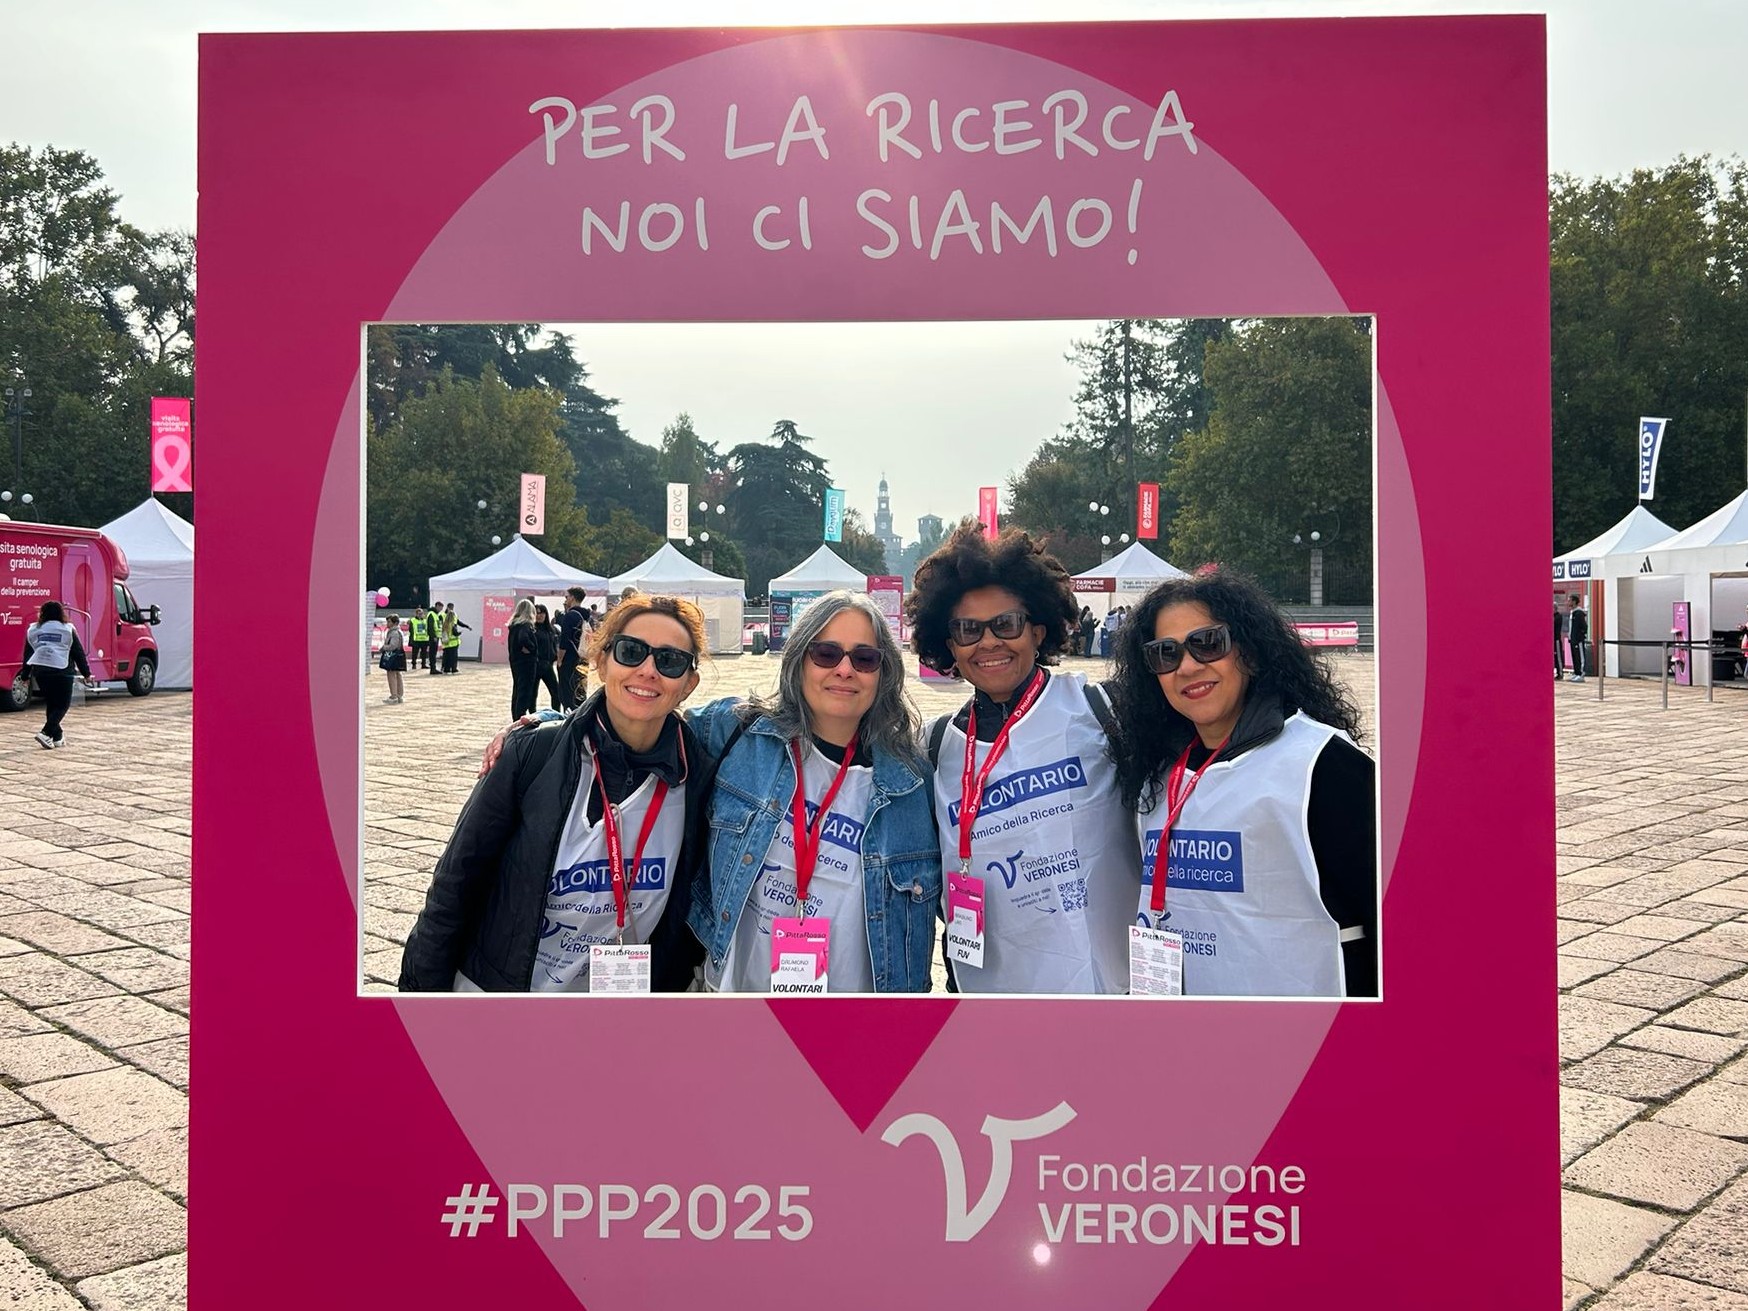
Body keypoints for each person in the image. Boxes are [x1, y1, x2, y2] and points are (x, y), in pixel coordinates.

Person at [399, 594, 712, 992]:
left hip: (615, 1019)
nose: (648, 670)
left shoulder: (700, 774)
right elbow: (456, 884)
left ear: (688, 684)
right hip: (502, 1001)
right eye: (631, 651)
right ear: (601, 661)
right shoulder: (531, 755)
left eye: (669, 661)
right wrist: (420, 1000)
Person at [1105, 567, 1377, 998]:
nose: (1189, 666)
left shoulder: (1322, 764)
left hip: (1311, 1044)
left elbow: (1389, 917)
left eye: (1208, 643)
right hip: (1192, 1041)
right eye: (1165, 653)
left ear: (1248, 651)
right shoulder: (1157, 776)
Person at [906, 523, 1139, 994]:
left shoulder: (1101, 709)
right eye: (968, 630)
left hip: (1108, 994)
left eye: (1006, 624)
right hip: (991, 1003)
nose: (988, 642)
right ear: (949, 646)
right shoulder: (934, 747)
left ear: (1037, 630)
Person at [688, 591, 940, 993]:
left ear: (883, 672)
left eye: (864, 658)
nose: (845, 669)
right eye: (825, 653)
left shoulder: (914, 783)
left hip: (857, 1029)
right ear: (798, 661)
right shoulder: (736, 736)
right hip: (738, 1011)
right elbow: (642, 722)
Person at [23, 601, 91, 749]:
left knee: (52, 704)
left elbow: (28, 653)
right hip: (62, 671)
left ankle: (57, 738)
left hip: (41, 672)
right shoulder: (67, 629)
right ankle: (45, 733)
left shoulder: (33, 629)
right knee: (62, 705)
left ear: (42, 613)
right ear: (61, 613)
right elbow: (78, 653)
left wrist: (25, 676)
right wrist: (86, 673)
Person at [507, 598, 540, 720]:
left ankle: (516, 716)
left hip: (516, 661)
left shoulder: (514, 625)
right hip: (526, 663)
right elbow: (523, 639)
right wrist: (531, 648)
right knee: (524, 691)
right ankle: (520, 717)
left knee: (517, 690)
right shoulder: (526, 625)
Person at [556, 586, 588, 709]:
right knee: (579, 689)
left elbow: (564, 640)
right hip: (583, 657)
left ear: (573, 598)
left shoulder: (570, 616)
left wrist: (559, 660)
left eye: (567, 597)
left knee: (567, 692)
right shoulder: (587, 615)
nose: (566, 599)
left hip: (569, 658)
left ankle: (569, 717)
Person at [534, 603, 564, 710]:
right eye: (536, 613)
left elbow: (559, 643)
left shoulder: (551, 630)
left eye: (542, 613)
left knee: (556, 693)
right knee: (532, 695)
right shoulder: (532, 630)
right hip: (535, 666)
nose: (539, 615)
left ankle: (556, 715)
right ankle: (532, 718)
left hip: (548, 665)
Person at [380, 614, 407, 703]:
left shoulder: (394, 633)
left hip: (393, 656)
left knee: (392, 674)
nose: (387, 623)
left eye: (389, 621)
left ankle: (394, 696)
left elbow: (393, 646)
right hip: (398, 655)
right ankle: (399, 695)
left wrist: (384, 647)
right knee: (398, 674)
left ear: (394, 623)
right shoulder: (397, 631)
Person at [440, 602, 469, 674]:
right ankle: (453, 669)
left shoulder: (445, 625)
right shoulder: (451, 623)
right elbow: (455, 633)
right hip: (453, 642)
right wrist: (459, 633)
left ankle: (446, 669)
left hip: (446, 642)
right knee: (453, 657)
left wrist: (466, 626)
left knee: (447, 657)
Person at [1566, 594, 1589, 683]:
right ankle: (1576, 673)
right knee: (1575, 657)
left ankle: (1581, 674)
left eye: (1570, 600)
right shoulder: (1573, 613)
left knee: (1580, 657)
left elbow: (1584, 627)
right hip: (1573, 640)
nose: (1568, 602)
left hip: (1578, 640)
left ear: (1574, 601)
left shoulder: (1579, 613)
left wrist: (1579, 636)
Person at [410, 606, 431, 672]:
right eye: (419, 614)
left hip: (424, 639)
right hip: (416, 639)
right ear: (416, 614)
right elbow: (411, 630)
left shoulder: (425, 620)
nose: (421, 615)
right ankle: (414, 664)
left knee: (424, 653)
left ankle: (423, 664)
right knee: (415, 653)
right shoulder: (413, 620)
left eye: (422, 613)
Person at [426, 600, 445, 675]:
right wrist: (433, 636)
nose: (440, 610)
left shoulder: (436, 615)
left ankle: (433, 668)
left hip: (436, 636)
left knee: (434, 653)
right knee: (432, 653)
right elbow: (430, 626)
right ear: (437, 606)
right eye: (440, 608)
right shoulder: (432, 614)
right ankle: (432, 668)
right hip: (433, 637)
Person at [1553, 599, 1567, 681]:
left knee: (1558, 656)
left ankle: (1560, 673)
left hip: (1556, 639)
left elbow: (1553, 624)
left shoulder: (1558, 616)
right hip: (1551, 640)